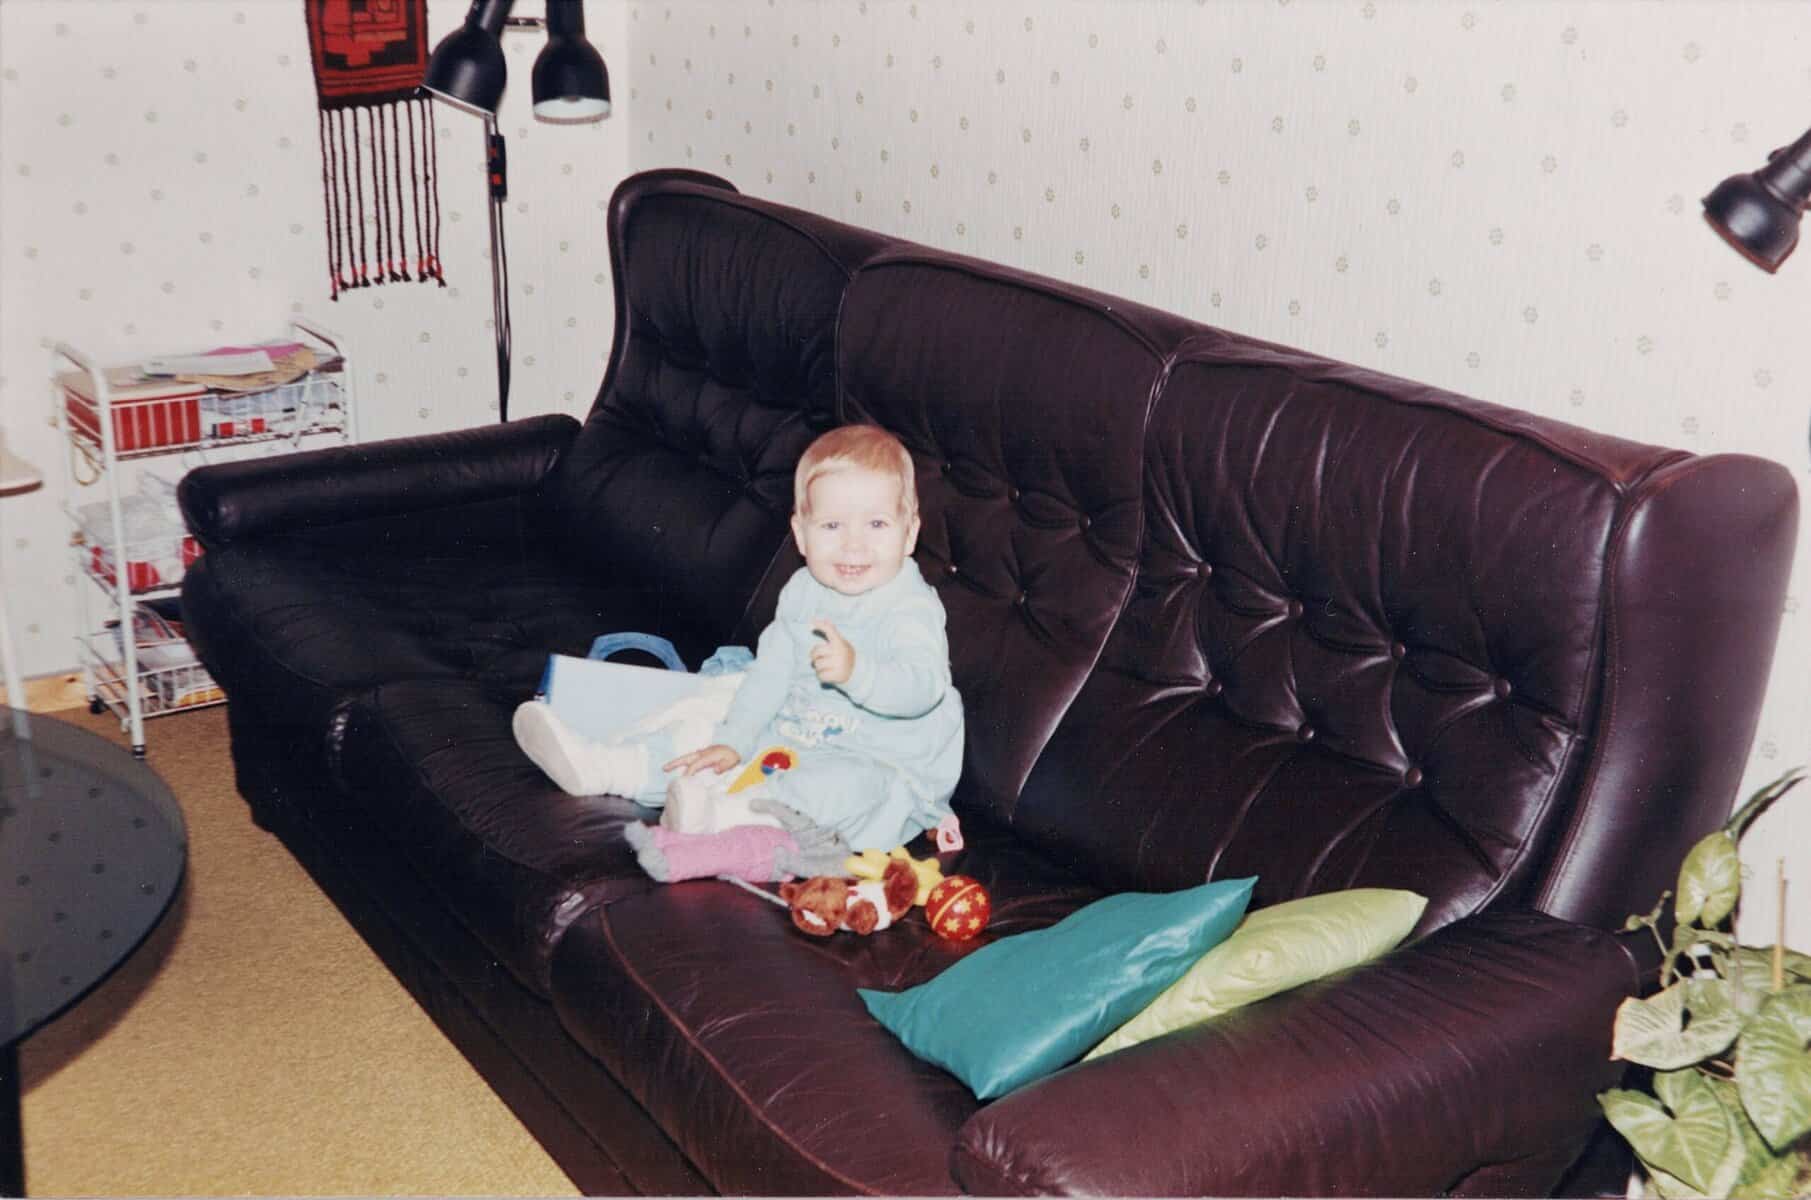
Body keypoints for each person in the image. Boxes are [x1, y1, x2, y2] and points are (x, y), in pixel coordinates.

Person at [512, 424, 965, 882]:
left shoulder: (909, 608)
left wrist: (858, 673)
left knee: (842, 788)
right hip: (793, 733)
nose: (854, 544)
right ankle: (609, 766)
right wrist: (734, 740)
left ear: (909, 534)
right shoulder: (803, 591)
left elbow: (923, 688)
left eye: (876, 524)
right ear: (801, 535)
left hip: (881, 762)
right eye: (832, 526)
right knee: (706, 732)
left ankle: (720, 816)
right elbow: (770, 675)